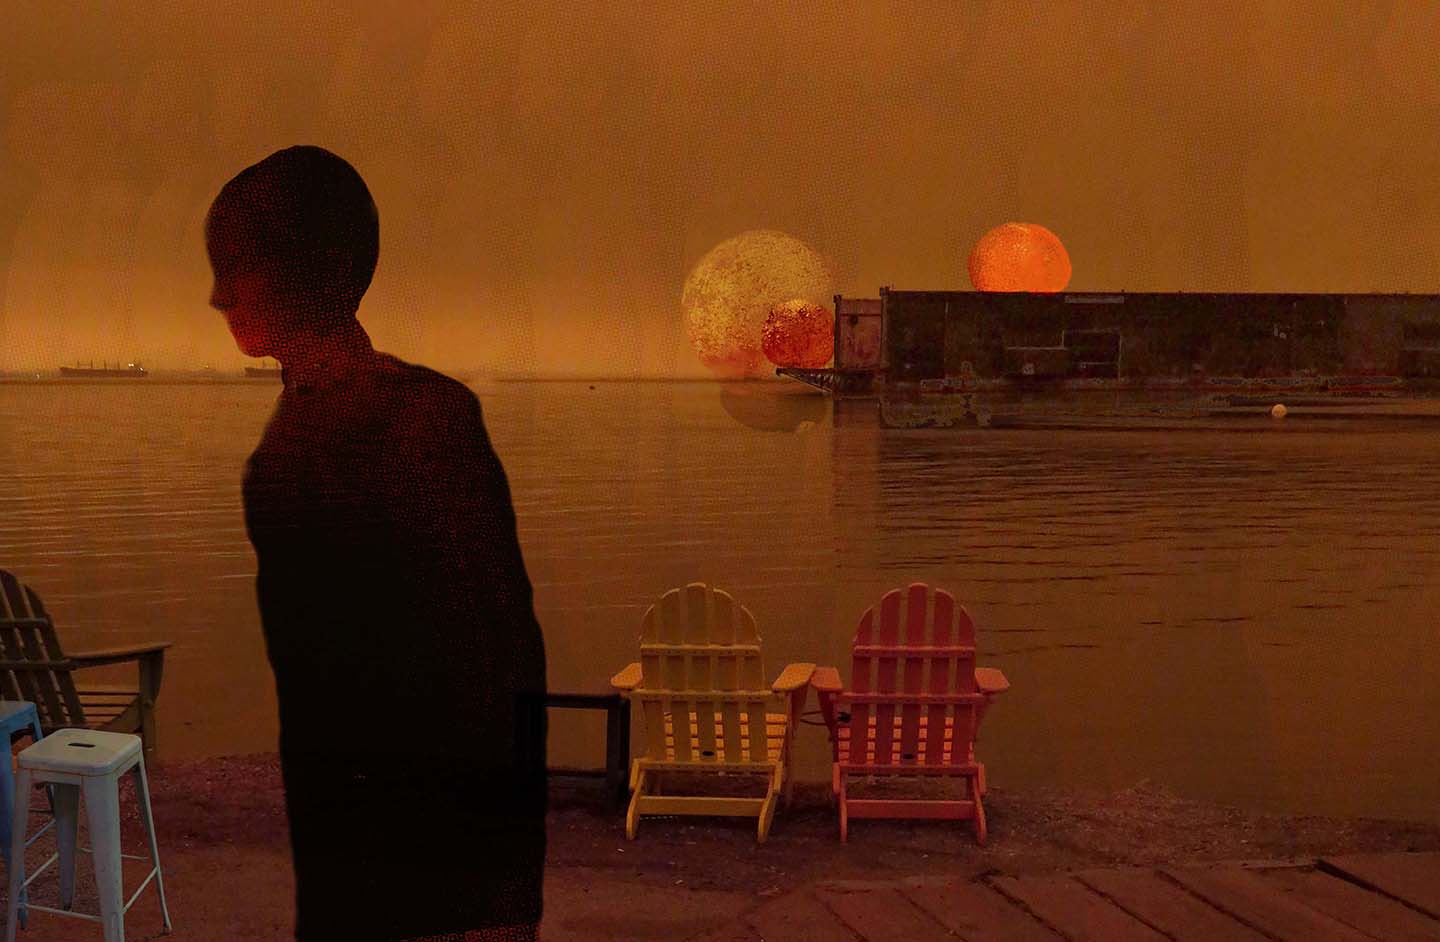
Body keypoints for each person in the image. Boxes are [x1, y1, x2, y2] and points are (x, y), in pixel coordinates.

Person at [205, 145, 547, 942]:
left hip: (434, 873)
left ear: (299, 272)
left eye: (234, 268)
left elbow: (497, 658)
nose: (218, 295)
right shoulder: (336, 431)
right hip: (366, 862)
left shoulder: (417, 424)